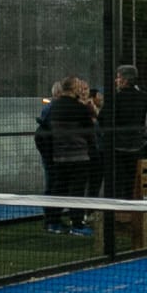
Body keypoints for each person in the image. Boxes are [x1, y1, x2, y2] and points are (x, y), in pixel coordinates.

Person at [38, 77, 99, 231]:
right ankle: (77, 225)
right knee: (77, 191)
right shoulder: (80, 108)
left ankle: (53, 222)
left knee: (59, 189)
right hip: (79, 157)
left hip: (59, 157)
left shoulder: (54, 107)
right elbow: (90, 133)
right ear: (72, 89)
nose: (82, 89)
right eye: (79, 86)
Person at [106, 64, 147, 199]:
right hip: (137, 145)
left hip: (118, 146)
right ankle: (132, 207)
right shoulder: (143, 96)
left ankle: (118, 210)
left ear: (124, 80)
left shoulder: (115, 98)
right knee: (133, 179)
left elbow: (104, 118)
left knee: (118, 180)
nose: (116, 81)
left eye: (118, 78)